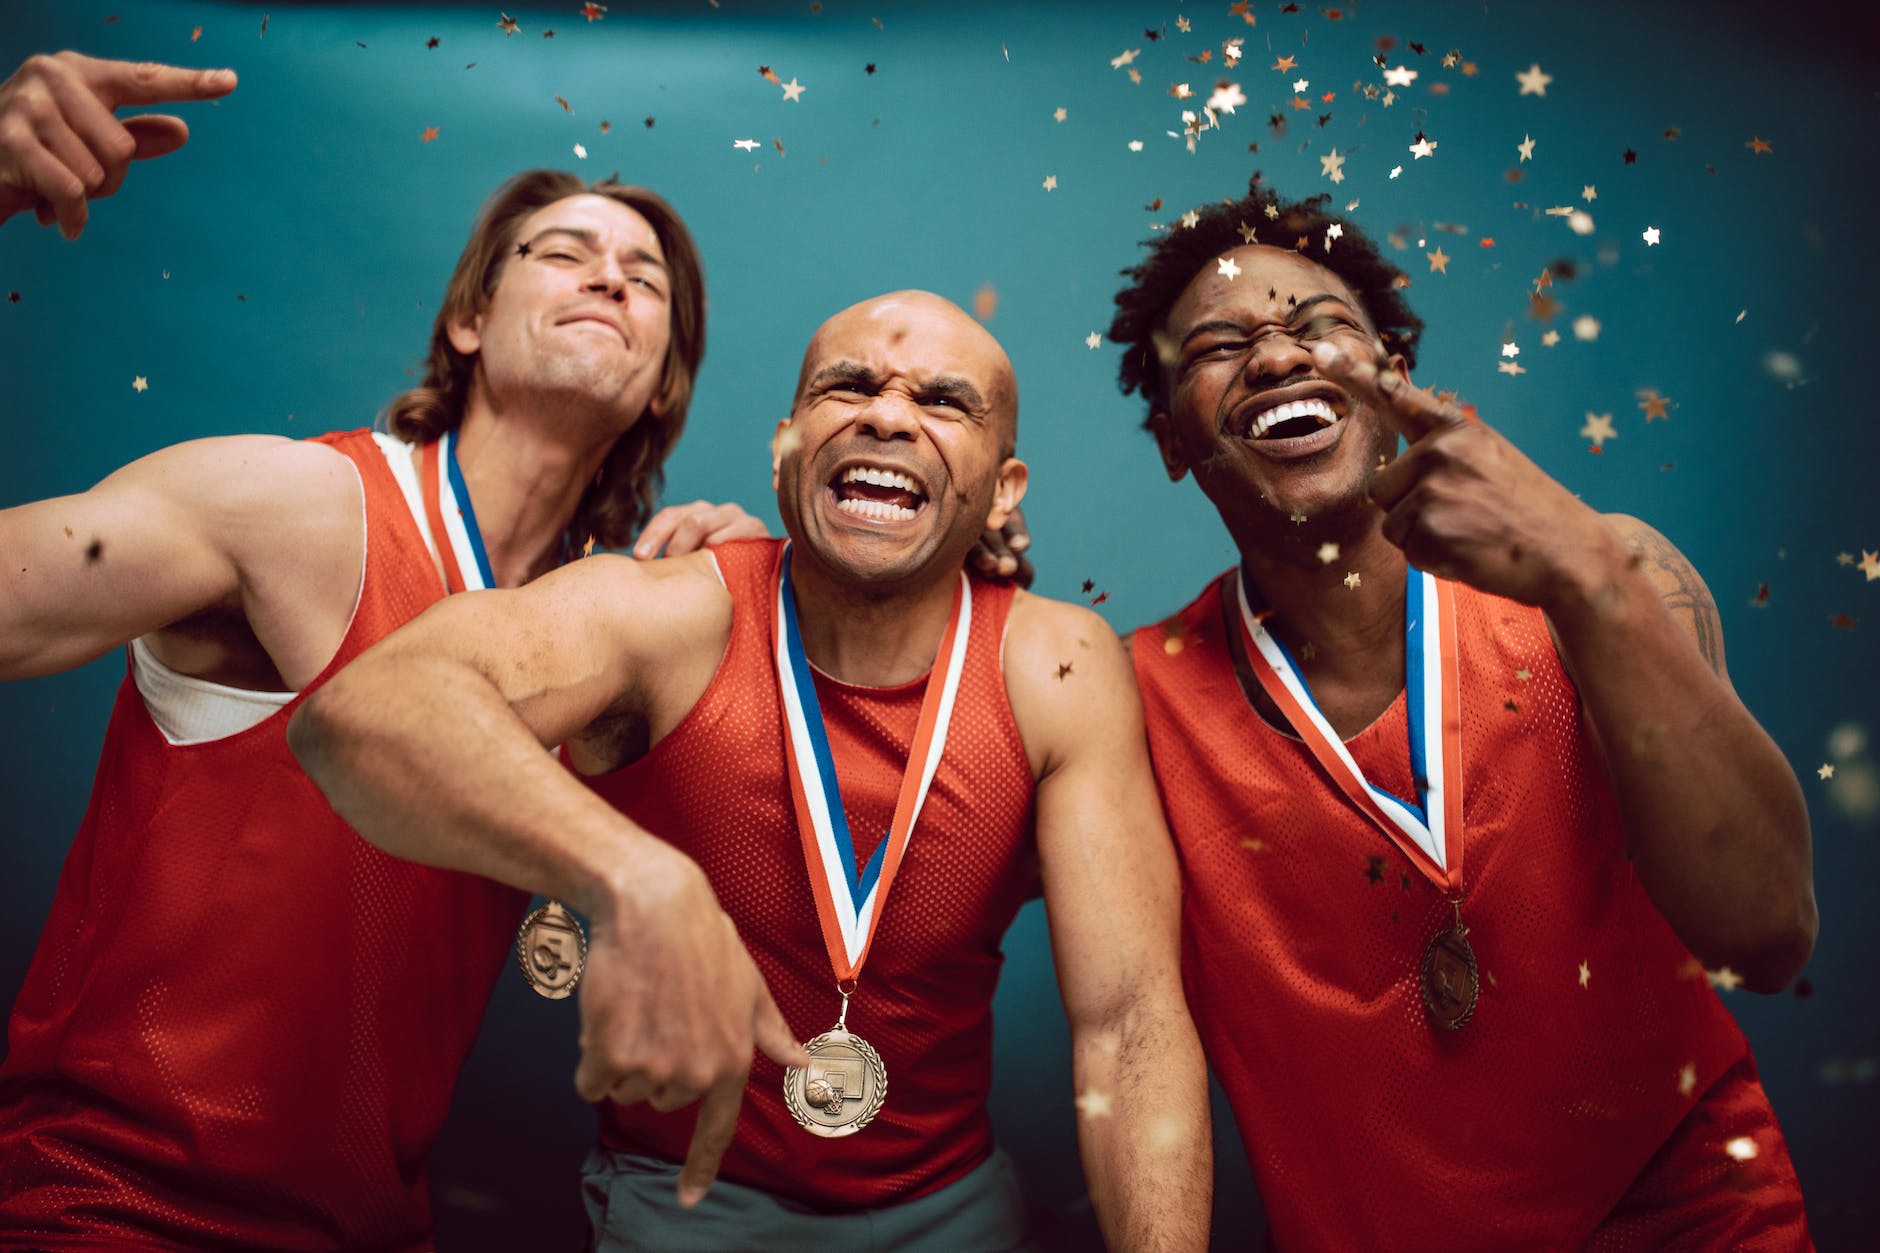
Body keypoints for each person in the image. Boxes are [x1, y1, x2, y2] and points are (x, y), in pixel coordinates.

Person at [0, 50, 779, 1251]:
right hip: (113, 1208)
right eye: (563, 253)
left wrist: (800, 581)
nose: (608, 279)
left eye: (644, 281)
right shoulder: (286, 502)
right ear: (469, 318)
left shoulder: (619, 630)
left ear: (660, 382)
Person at [289, 290, 1212, 1251]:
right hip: (685, 1203)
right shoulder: (665, 616)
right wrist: (641, 880)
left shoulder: (1059, 665)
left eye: (943, 403)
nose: (887, 415)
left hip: (953, 1209)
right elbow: (358, 716)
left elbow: (1130, 1020)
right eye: (847, 385)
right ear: (786, 446)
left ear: (1005, 486)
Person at [1110, 177, 1817, 1248]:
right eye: (1217, 345)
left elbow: (1767, 937)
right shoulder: (1119, 697)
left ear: (1391, 381)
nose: (1275, 356)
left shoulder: (1608, 574)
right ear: (1170, 442)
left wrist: (1586, 572)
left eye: (1318, 326)